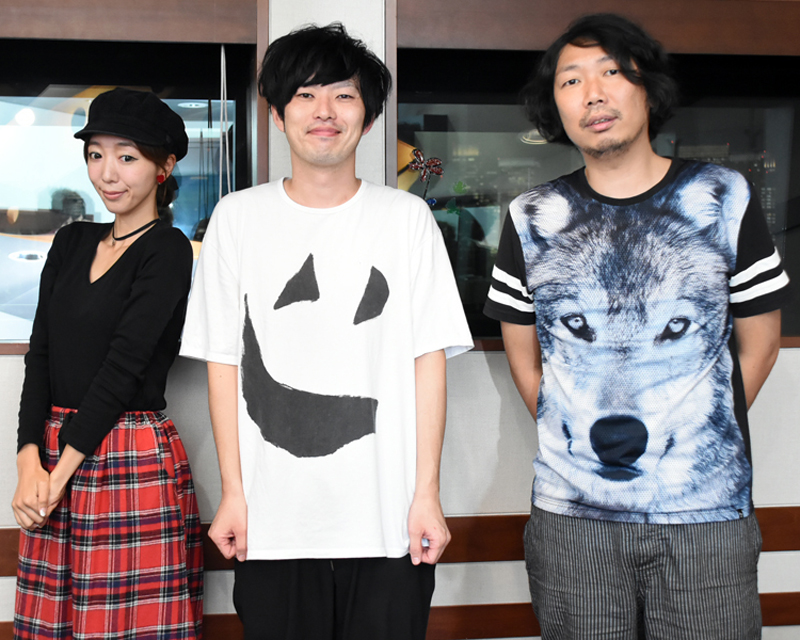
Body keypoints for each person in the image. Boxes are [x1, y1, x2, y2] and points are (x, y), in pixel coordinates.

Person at [484, 13, 791, 640]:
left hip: (706, 516)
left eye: (611, 73)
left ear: (647, 87)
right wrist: (572, 427)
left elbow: (760, 344)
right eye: (571, 81)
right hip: (572, 517)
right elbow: (524, 357)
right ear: (555, 106)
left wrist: (692, 423)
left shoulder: (723, 196)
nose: (593, 94)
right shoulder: (531, 214)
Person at [180, 23, 472, 640]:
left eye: (343, 95)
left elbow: (428, 360)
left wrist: (427, 493)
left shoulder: (407, 219)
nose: (324, 111)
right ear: (277, 114)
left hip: (389, 523)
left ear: (368, 119)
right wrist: (233, 493)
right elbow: (222, 363)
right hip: (272, 524)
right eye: (306, 95)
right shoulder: (236, 219)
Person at [13, 87, 203, 639]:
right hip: (55, 450)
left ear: (164, 166)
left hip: (126, 453)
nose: (107, 173)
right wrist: (28, 461)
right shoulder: (71, 242)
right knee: (53, 625)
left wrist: (57, 477)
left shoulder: (167, 248)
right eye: (96, 154)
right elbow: (41, 354)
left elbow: (124, 367)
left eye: (127, 156)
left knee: (124, 628)